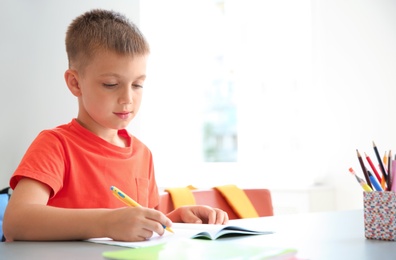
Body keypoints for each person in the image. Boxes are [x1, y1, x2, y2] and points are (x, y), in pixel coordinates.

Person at [2, 9, 228, 242]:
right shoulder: (56, 145)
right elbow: (16, 222)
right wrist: (106, 223)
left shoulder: (142, 154)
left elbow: (137, 225)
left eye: (138, 85)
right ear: (75, 83)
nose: (127, 98)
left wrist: (173, 219)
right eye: (111, 84)